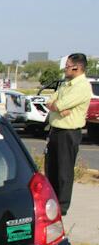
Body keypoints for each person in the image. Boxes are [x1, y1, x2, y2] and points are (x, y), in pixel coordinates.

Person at [44, 53, 92, 216]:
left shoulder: (82, 86)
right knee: (51, 168)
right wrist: (57, 107)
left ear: (76, 68)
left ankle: (62, 206)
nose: (65, 69)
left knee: (64, 171)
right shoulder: (66, 84)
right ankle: (51, 200)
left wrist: (58, 107)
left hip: (68, 133)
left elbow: (59, 104)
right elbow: (50, 101)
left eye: (67, 66)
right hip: (55, 130)